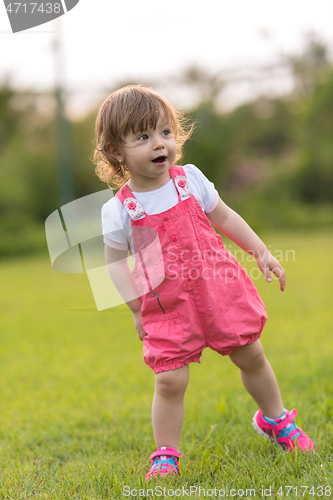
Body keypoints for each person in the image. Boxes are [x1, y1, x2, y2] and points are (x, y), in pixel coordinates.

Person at [94, 85, 314, 480]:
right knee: (170, 380)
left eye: (164, 132)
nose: (159, 144)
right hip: (167, 307)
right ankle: (166, 455)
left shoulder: (189, 180)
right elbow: (112, 266)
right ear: (115, 151)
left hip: (220, 291)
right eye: (143, 137)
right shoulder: (119, 210)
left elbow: (226, 218)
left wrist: (260, 252)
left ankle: (276, 419)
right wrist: (135, 308)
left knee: (251, 355)